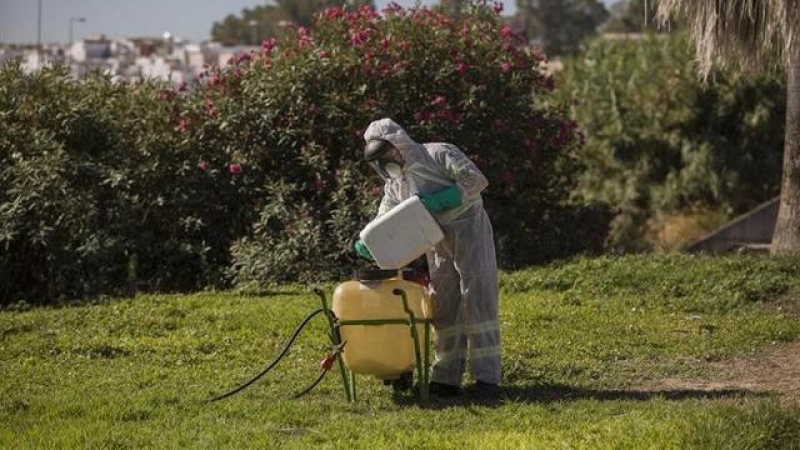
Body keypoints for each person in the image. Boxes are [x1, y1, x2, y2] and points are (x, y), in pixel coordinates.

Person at [354, 118, 501, 399]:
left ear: (398, 145)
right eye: (379, 161)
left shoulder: (439, 153)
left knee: (477, 296)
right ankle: (446, 377)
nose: (386, 163)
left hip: (468, 226)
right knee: (443, 305)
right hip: (434, 237)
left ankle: (486, 378)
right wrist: (366, 240)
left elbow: (477, 180)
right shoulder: (395, 183)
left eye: (387, 155)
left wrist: (443, 199)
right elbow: (385, 215)